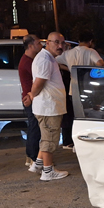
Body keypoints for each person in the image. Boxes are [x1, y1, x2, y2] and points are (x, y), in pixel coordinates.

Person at [26, 31, 69, 181]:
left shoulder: (48, 58)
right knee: (50, 139)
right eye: (56, 42)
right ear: (47, 43)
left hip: (49, 106)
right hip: (48, 107)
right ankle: (48, 171)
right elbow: (39, 83)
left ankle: (38, 164)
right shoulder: (45, 59)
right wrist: (32, 95)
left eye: (62, 43)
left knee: (46, 137)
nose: (60, 46)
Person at [55, 31, 104, 150]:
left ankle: (75, 142)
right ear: (91, 41)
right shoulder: (91, 51)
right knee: (87, 115)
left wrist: (69, 69)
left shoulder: (68, 53)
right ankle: (86, 141)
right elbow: (101, 64)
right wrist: (91, 73)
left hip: (73, 90)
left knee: (76, 116)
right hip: (88, 89)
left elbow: (55, 61)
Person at [18, 34, 43, 173]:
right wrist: (31, 96)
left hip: (30, 97)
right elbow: (38, 81)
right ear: (31, 45)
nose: (40, 46)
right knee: (35, 128)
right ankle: (33, 157)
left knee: (34, 127)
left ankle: (30, 156)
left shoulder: (30, 60)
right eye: (38, 43)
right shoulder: (28, 62)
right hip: (30, 98)